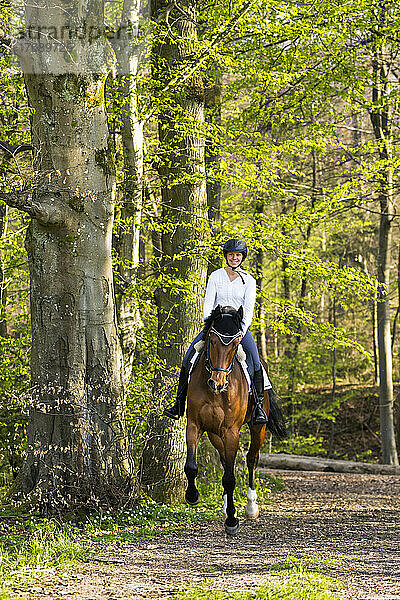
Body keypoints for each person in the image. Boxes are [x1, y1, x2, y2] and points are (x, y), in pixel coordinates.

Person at [164, 238, 268, 425]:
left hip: (238, 329)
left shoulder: (249, 281)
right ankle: (179, 403)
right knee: (188, 357)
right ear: (226, 256)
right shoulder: (215, 276)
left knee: (255, 361)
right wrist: (210, 326)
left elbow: (249, 310)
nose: (234, 258)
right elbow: (207, 305)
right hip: (215, 328)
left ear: (242, 257)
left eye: (238, 255)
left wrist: (242, 331)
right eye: (231, 255)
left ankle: (259, 406)